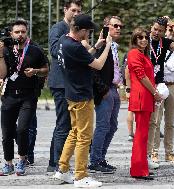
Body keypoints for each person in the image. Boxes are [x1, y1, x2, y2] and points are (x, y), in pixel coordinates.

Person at [53, 14, 111, 187]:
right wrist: (107, 46)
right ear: (81, 30)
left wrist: (96, 46)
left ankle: (62, 170)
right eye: (88, 31)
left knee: (75, 133)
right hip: (82, 96)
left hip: (72, 94)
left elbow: (82, 58)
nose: (89, 34)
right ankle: (80, 176)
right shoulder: (76, 46)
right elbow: (98, 64)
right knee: (84, 137)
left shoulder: (65, 41)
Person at [0, 19, 49, 176]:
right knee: (7, 132)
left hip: (28, 96)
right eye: (17, 32)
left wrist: (35, 71)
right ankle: (8, 163)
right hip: (8, 96)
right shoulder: (6, 50)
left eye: (23, 31)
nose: (20, 35)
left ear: (26, 32)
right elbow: (2, 74)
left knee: (22, 129)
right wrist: (0, 55)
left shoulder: (35, 50)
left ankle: (22, 159)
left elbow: (46, 69)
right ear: (11, 33)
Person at [47, 0, 82, 172]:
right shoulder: (59, 28)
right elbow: (54, 51)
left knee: (66, 124)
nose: (76, 14)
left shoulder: (75, 30)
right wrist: (70, 37)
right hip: (60, 83)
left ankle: (55, 162)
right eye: (73, 10)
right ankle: (56, 165)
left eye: (78, 11)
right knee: (63, 124)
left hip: (71, 83)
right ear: (65, 10)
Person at [147, 16, 174, 167]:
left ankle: (169, 153)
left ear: (165, 32)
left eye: (160, 30)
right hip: (152, 85)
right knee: (154, 121)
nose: (156, 32)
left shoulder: (166, 42)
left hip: (169, 85)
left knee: (169, 122)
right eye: (155, 29)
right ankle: (153, 152)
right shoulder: (145, 40)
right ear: (151, 27)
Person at [89, 16, 123, 174]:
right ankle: (95, 161)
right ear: (106, 27)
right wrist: (103, 91)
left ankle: (100, 158)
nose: (118, 29)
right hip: (105, 91)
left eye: (120, 26)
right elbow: (92, 70)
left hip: (114, 89)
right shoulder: (102, 46)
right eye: (115, 26)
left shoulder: (114, 46)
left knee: (113, 126)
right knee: (103, 126)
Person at [127, 27, 162, 180]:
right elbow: (141, 76)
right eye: (139, 37)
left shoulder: (142, 54)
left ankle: (142, 168)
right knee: (140, 135)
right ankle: (138, 170)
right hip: (141, 97)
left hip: (146, 97)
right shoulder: (134, 53)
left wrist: (153, 94)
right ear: (134, 39)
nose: (143, 40)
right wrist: (155, 93)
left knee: (143, 135)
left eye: (145, 37)